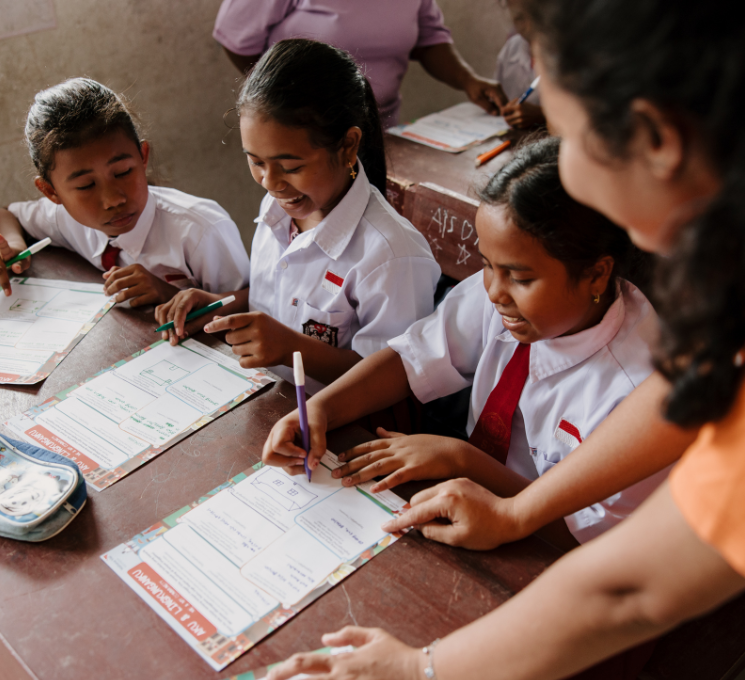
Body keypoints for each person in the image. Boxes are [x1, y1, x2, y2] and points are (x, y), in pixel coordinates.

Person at [260, 1, 745, 679]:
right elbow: (690, 391)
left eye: (562, 127)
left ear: (655, 138)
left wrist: (418, 670)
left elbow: (633, 591)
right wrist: (519, 509)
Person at [262, 137, 665, 545]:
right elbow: (412, 358)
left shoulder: (636, 389)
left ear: (596, 275)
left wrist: (463, 462)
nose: (494, 292)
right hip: (469, 503)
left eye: (521, 279)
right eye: (488, 265)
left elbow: (590, 536)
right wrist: (320, 410)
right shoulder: (506, 301)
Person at [156, 40, 441, 389]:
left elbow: (392, 380)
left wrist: (290, 349)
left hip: (336, 429)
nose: (271, 182)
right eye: (256, 162)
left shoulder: (392, 256)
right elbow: (279, 298)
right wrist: (220, 304)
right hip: (266, 400)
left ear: (349, 146)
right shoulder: (279, 208)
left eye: (290, 166)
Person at [0, 78, 249, 307]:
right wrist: (14, 248)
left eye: (123, 172)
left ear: (143, 156)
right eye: (85, 186)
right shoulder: (64, 218)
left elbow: (253, 304)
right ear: (51, 192)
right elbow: (5, 215)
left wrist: (167, 293)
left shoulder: (200, 230)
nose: (113, 199)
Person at [211, 0, 506, 127]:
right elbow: (237, 40)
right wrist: (283, 97)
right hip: (306, 132)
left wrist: (469, 80)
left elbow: (428, 36)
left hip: (382, 130)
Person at [495, 0, 546, 130]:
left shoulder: (572, 56)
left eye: (535, 15)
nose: (529, 27)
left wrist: (541, 115)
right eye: (519, 18)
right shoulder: (512, 47)